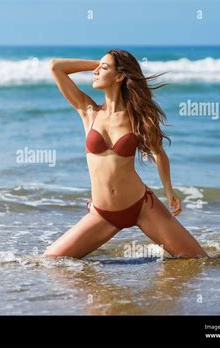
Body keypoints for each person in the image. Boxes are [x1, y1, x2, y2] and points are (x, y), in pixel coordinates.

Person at [43, 49, 208, 259]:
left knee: (197, 260)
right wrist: (100, 63)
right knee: (51, 261)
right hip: (102, 214)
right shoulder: (88, 111)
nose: (95, 72)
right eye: (97, 68)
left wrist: (168, 190)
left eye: (102, 69)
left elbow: (158, 153)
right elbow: (56, 66)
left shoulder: (137, 118)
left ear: (119, 76)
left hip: (142, 206)